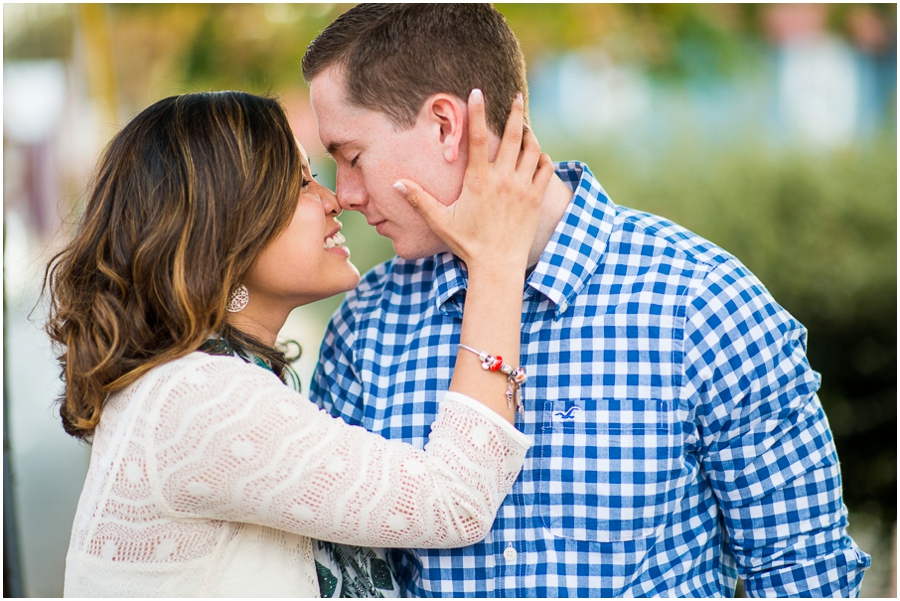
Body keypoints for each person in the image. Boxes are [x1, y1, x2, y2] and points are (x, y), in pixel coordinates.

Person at [303, 4, 871, 597]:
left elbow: (805, 576)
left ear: (446, 126)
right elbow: (345, 580)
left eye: (351, 156)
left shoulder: (702, 305)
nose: (343, 193)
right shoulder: (367, 328)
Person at [46, 89, 555, 597]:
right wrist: (495, 264)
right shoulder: (200, 399)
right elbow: (452, 502)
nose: (333, 199)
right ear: (224, 226)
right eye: (300, 182)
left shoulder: (200, 385)